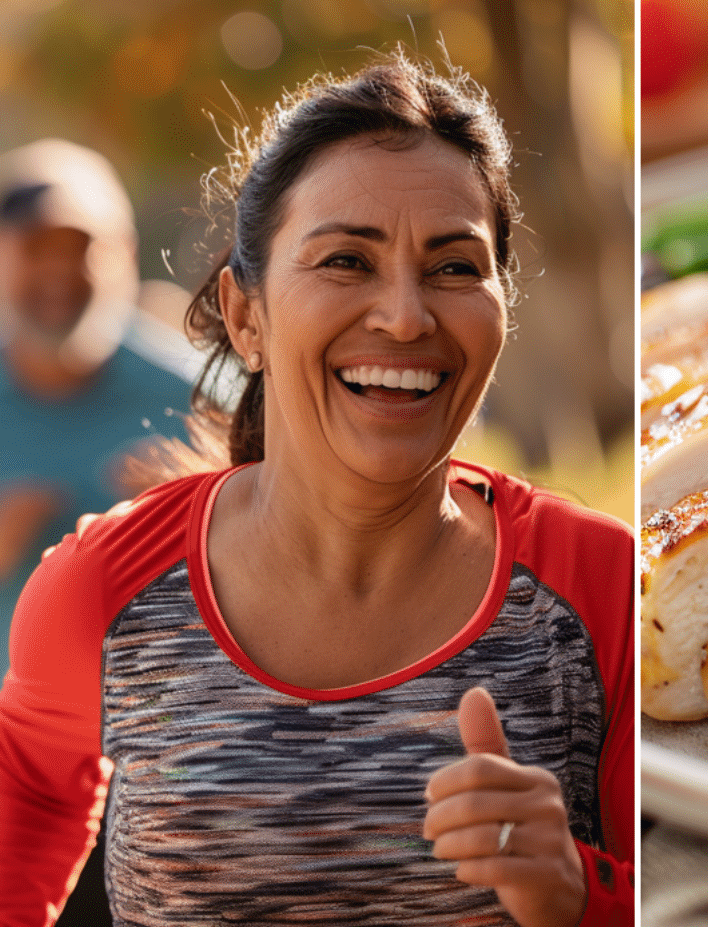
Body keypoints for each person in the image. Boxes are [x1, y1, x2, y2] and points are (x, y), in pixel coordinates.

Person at [0, 55, 633, 924]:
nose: (406, 316)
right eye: (345, 260)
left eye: (454, 267)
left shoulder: (605, 587)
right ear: (245, 316)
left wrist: (579, 891)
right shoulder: (101, 586)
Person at [0, 140, 190, 682]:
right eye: (37, 249)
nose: (59, 271)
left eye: (80, 248)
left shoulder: (199, 397)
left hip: (153, 739)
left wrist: (198, 502)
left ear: (126, 254)